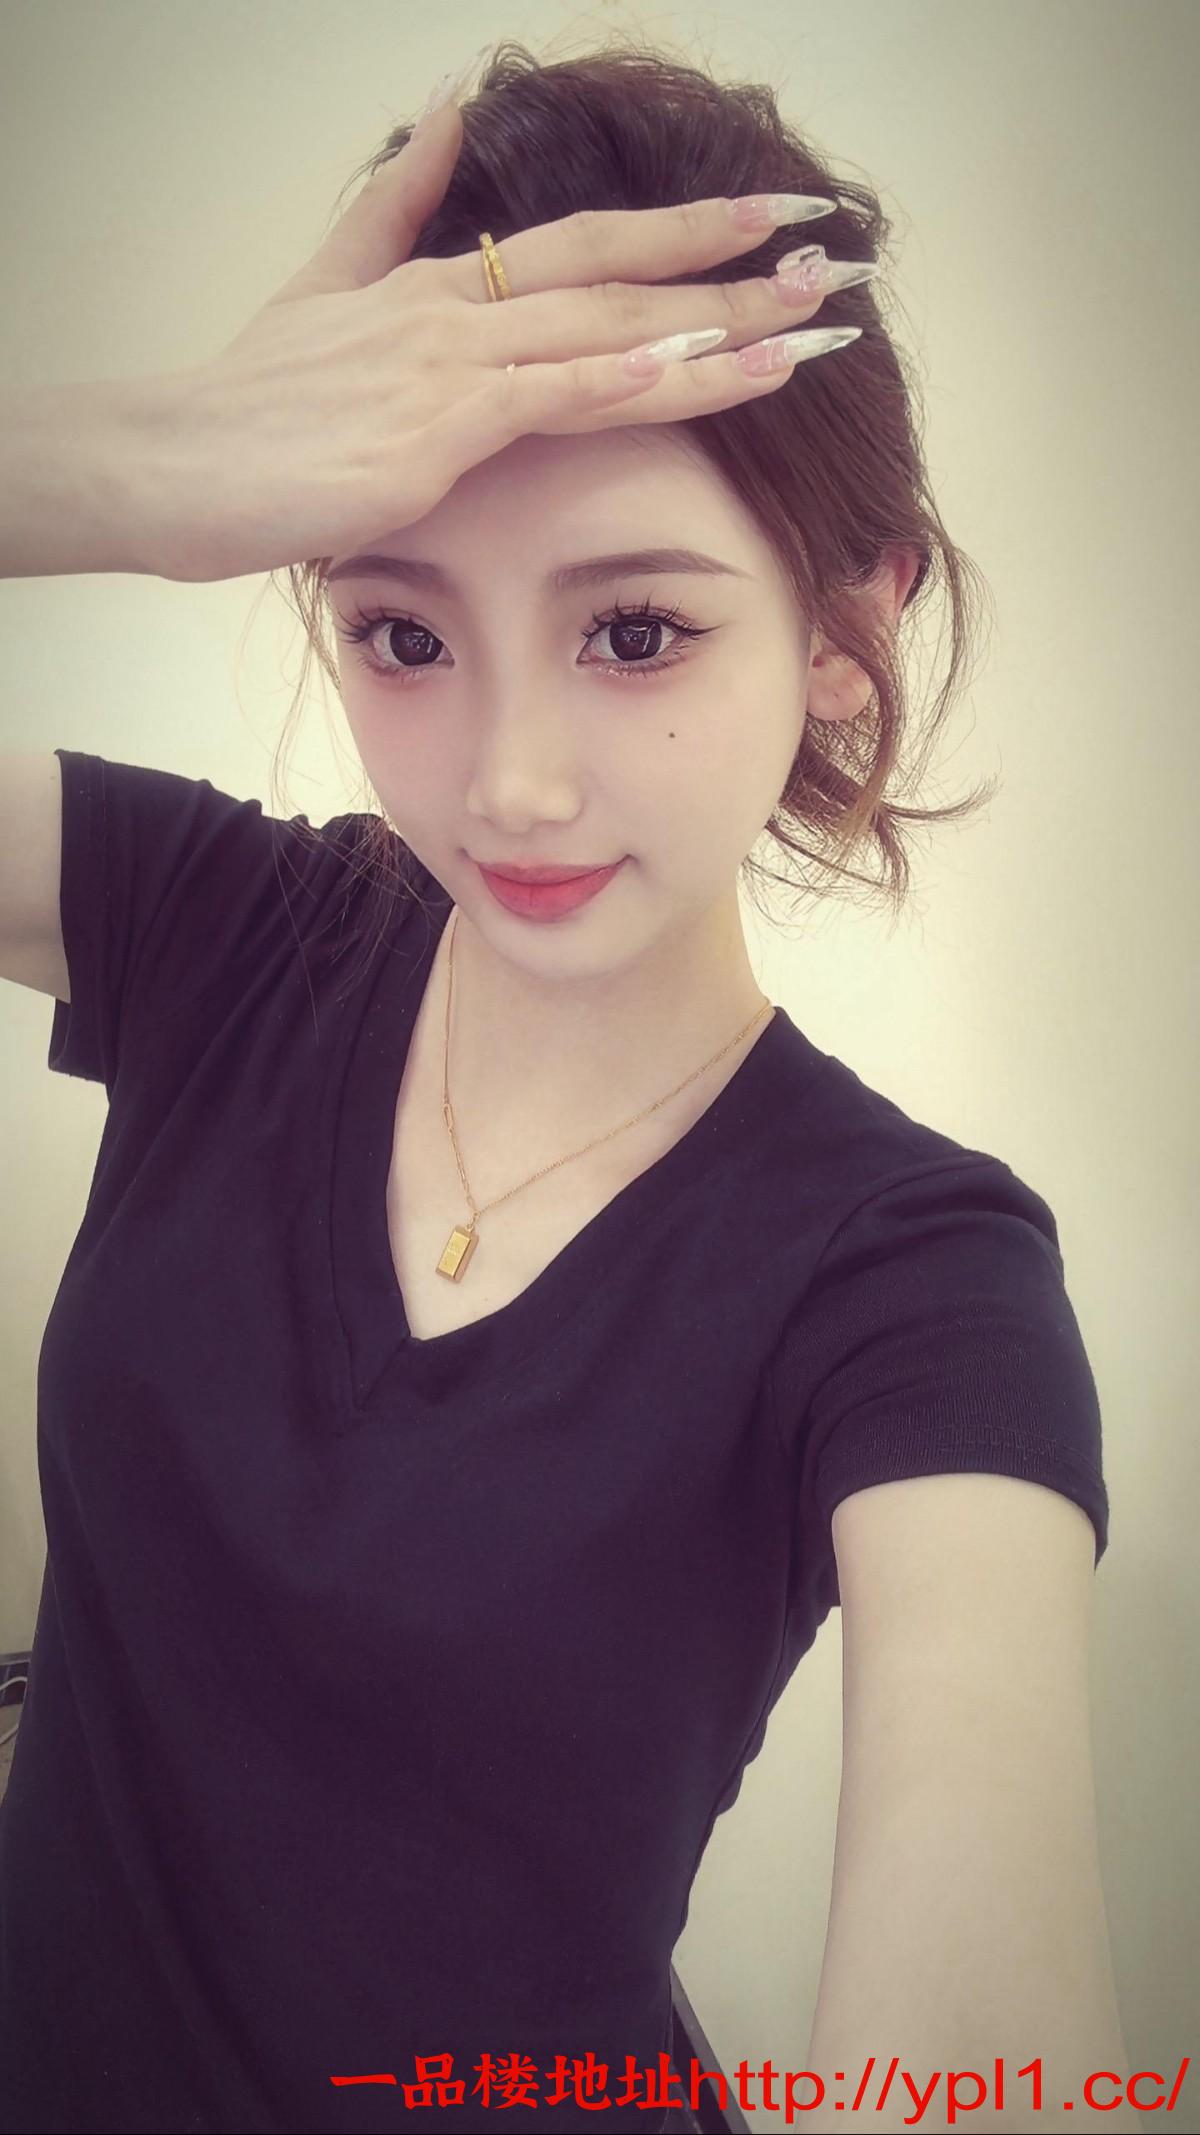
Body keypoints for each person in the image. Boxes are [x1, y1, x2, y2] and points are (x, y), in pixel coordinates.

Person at [0, 37, 1138, 2135]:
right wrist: (120, 462)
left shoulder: (916, 1282)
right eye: (402, 636)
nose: (510, 786)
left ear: (841, 630)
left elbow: (985, 2029)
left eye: (633, 633)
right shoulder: (223, 930)